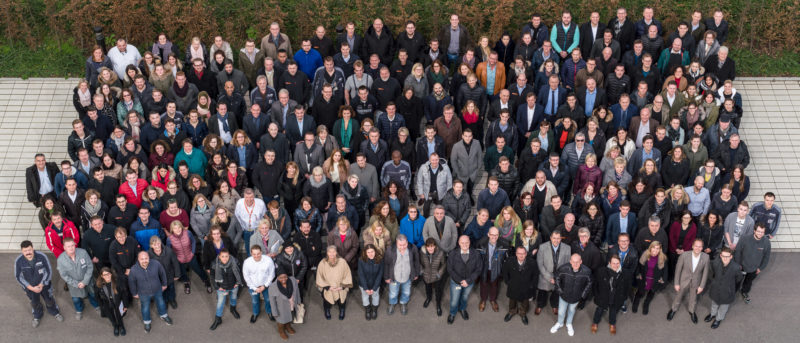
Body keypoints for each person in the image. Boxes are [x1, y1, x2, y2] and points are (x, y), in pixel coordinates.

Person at [15, 240, 65, 328]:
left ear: (33, 248)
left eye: (29, 250)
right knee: (34, 302)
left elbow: (48, 271)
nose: (28, 253)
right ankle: (37, 315)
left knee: (49, 300)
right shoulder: (19, 261)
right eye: (25, 251)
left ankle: (55, 312)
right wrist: (30, 288)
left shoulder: (42, 256)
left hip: (45, 285)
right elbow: (19, 277)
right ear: (22, 251)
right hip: (30, 288)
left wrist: (42, 284)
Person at [128, 251, 172, 333]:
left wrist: (164, 284)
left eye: (146, 258)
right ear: (138, 259)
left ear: (149, 258)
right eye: (142, 259)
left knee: (161, 303)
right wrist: (134, 293)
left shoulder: (156, 264)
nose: (144, 260)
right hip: (143, 293)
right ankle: (147, 322)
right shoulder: (134, 270)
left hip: (157, 289)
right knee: (145, 308)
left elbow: (162, 273)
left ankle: (164, 315)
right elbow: (131, 282)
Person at [550, 253, 592, 337]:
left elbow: (589, 283)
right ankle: (560, 323)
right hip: (564, 295)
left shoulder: (587, 271)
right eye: (573, 262)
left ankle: (569, 324)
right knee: (561, 312)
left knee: (571, 311)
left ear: (581, 262)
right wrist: (560, 291)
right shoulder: (563, 268)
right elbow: (557, 278)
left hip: (576, 297)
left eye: (577, 262)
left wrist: (583, 295)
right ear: (570, 261)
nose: (575, 264)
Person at [668, 239, 709, 324]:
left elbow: (705, 272)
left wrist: (701, 286)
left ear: (702, 248)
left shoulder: (706, 257)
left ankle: (692, 311)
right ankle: (673, 309)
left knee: (693, 298)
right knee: (679, 296)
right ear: (692, 246)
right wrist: (676, 283)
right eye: (696, 246)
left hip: (696, 281)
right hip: (683, 280)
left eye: (700, 246)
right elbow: (678, 270)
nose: (698, 248)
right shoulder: (684, 255)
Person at [446, 235, 482, 324]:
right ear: (459, 243)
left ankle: (462, 309)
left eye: (467, 242)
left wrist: (468, 281)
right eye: (462, 243)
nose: (465, 244)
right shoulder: (452, 254)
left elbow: (478, 269)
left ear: (469, 243)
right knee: (454, 300)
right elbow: (450, 269)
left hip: (469, 282)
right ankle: (452, 313)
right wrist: (460, 281)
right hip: (456, 282)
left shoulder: (476, 254)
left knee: (465, 297)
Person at [591, 254, 631, 335]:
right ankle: (595, 322)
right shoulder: (601, 271)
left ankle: (612, 324)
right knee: (599, 310)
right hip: (603, 296)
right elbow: (595, 285)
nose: (615, 265)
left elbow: (627, 286)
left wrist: (624, 297)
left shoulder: (625, 273)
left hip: (616, 297)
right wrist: (597, 295)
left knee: (613, 311)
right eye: (613, 263)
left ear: (620, 263)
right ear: (609, 263)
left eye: (617, 263)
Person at [536, 230, 572, 315]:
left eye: (558, 238)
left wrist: (558, 278)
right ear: (550, 238)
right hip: (545, 274)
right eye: (554, 238)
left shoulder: (567, 248)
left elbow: (567, 265)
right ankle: (540, 305)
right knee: (542, 292)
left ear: (561, 238)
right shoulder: (542, 247)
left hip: (559, 275)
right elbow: (540, 264)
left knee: (557, 292)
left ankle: (554, 305)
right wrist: (549, 277)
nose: (556, 240)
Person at [705, 247, 742, 329]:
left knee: (723, 307)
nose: (725, 258)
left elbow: (738, 279)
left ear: (731, 257)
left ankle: (718, 319)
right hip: (716, 288)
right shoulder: (715, 263)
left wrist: (730, 287)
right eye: (723, 256)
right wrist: (714, 282)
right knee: (714, 303)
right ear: (720, 255)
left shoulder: (736, 267)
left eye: (727, 256)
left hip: (727, 291)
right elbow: (711, 273)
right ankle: (712, 314)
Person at [734, 224, 771, 304]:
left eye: (762, 232)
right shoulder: (744, 238)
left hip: (754, 269)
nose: (760, 234)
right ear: (754, 231)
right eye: (758, 231)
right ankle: (732, 293)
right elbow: (737, 251)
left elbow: (766, 257)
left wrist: (760, 268)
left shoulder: (766, 242)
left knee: (748, 282)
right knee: (737, 280)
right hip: (741, 267)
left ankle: (744, 292)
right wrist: (738, 265)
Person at [476, 227, 509, 313]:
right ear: (488, 234)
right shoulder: (481, 243)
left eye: (496, 235)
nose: (494, 237)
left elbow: (506, 259)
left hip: (496, 268)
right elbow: (477, 257)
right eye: (492, 234)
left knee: (494, 284)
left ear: (499, 235)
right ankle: (483, 300)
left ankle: (492, 300)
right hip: (484, 267)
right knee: (483, 283)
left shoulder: (504, 244)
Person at [208, 248, 242, 330]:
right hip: (222, 288)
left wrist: (237, 283)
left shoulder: (235, 262)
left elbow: (239, 272)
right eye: (222, 256)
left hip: (233, 286)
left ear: (229, 256)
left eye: (226, 256)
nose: (225, 258)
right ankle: (218, 319)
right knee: (220, 303)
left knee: (233, 298)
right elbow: (212, 277)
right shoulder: (214, 264)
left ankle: (232, 309)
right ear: (219, 257)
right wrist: (217, 287)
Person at [317, 245, 353, 320]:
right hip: (328, 287)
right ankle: (327, 310)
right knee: (327, 300)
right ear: (327, 253)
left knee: (342, 300)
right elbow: (319, 277)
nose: (332, 254)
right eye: (330, 252)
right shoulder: (322, 263)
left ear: (336, 252)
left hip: (340, 286)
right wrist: (328, 287)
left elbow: (347, 274)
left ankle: (342, 310)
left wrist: (342, 286)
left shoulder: (342, 262)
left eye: (334, 252)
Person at [243, 244, 276, 324]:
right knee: (255, 301)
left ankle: (269, 312)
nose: (256, 256)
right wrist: (255, 288)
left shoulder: (268, 260)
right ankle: (255, 313)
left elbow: (272, 274)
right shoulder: (247, 262)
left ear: (261, 252)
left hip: (266, 285)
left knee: (268, 300)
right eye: (254, 254)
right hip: (253, 286)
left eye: (258, 253)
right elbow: (246, 277)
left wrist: (265, 286)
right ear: (251, 253)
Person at [147, 237, 180, 310]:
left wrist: (177, 274)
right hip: (158, 278)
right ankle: (165, 301)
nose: (157, 246)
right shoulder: (148, 255)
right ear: (151, 246)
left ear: (161, 242)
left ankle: (172, 299)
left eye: (158, 243)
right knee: (162, 291)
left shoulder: (169, 251)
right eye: (154, 245)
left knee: (171, 288)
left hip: (169, 274)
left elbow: (175, 263)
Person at [94, 267, 129, 336]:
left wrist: (125, 305)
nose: (107, 276)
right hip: (106, 303)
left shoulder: (117, 282)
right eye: (104, 275)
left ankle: (121, 326)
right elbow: (97, 297)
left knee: (118, 315)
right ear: (101, 276)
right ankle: (115, 326)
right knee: (111, 316)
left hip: (117, 303)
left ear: (111, 274)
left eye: (108, 274)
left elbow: (124, 294)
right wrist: (102, 306)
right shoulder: (98, 285)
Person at [268, 270, 300, 340]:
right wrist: (275, 312)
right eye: (280, 278)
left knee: (289, 317)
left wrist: (298, 301)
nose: (283, 279)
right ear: (277, 277)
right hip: (281, 308)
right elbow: (272, 301)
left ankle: (288, 327)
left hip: (291, 304)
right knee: (281, 321)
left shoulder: (293, 280)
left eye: (285, 277)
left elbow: (297, 291)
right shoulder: (272, 287)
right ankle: (281, 331)